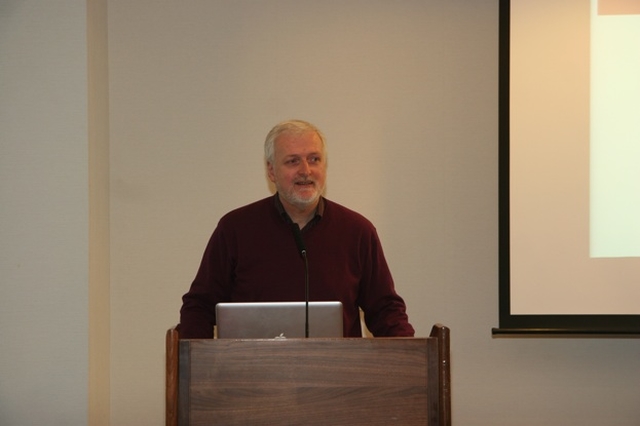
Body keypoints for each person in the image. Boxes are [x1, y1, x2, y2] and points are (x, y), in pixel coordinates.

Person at [179, 119, 414, 338]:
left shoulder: (358, 231)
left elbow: (385, 310)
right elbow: (199, 307)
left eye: (314, 159)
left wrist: (413, 358)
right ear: (271, 171)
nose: (305, 171)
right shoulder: (235, 229)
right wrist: (197, 369)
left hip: (336, 376)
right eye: (293, 161)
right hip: (251, 375)